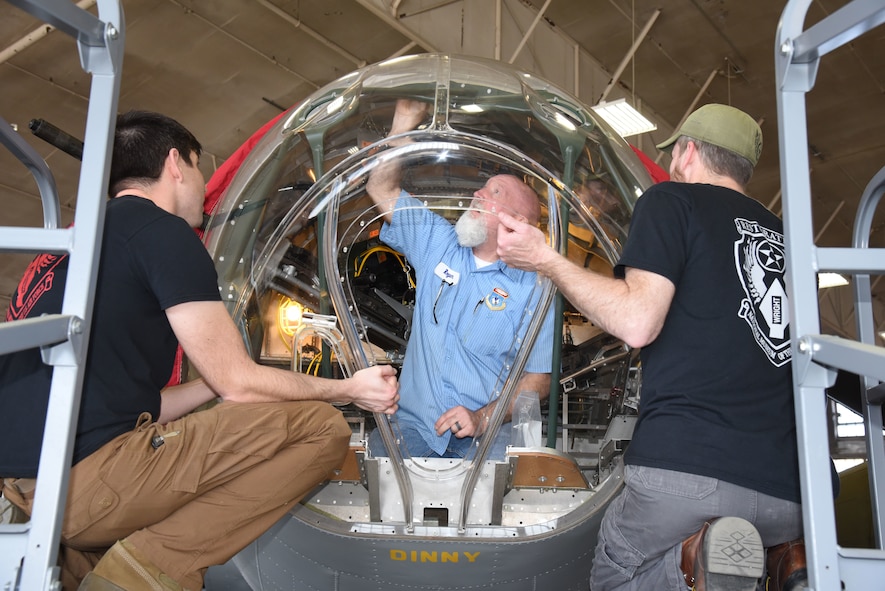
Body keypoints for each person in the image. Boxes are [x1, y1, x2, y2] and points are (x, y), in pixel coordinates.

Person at [0, 110, 399, 591]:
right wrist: (350, 389)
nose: (202, 184)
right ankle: (144, 573)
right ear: (175, 163)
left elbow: (143, 403)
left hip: (30, 493)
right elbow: (241, 386)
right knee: (318, 428)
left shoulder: (69, 244)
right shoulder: (161, 232)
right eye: (198, 166)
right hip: (92, 484)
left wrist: (212, 381)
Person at [496, 103, 805, 591]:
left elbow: (637, 323)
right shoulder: (792, 240)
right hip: (793, 492)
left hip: (690, 471)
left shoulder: (672, 202)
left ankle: (697, 561)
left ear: (686, 152)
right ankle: (787, 562)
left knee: (616, 577)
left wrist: (545, 260)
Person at [364, 99, 554, 459]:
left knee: (494, 504)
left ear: (519, 223)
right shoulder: (438, 241)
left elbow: (537, 380)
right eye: (482, 188)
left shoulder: (536, 288)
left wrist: (482, 418)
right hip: (414, 427)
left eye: (494, 193)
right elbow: (381, 189)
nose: (478, 194)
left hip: (486, 437)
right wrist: (404, 123)